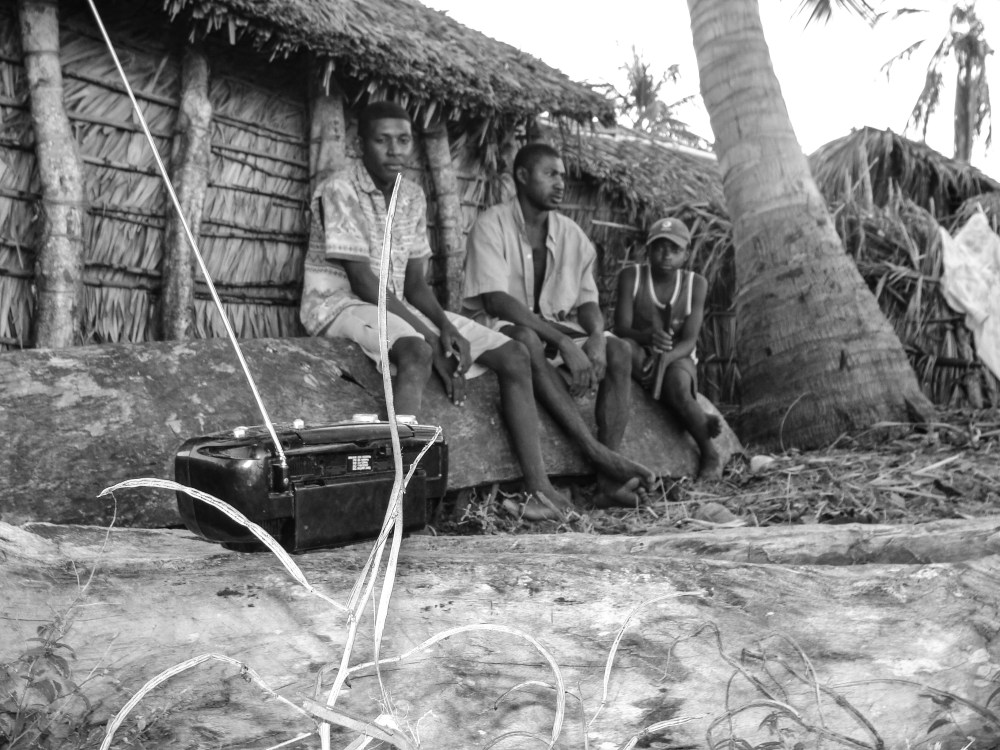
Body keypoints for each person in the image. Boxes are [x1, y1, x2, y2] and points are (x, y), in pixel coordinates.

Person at [300, 102, 572, 521]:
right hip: (339, 304)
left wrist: (446, 327)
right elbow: (363, 283)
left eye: (403, 140)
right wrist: (429, 337)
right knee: (417, 352)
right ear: (360, 144)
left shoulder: (410, 196)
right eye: (382, 139)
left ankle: (539, 490)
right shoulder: (340, 189)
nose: (394, 150)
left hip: (395, 304)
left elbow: (413, 285)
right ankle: (396, 498)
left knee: (515, 355)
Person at [463, 142, 657, 506]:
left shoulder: (573, 235)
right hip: (500, 327)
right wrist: (565, 344)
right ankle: (597, 452)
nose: (560, 183)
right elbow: (495, 300)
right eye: (550, 174)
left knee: (618, 350)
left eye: (562, 176)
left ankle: (606, 483)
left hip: (554, 325)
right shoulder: (491, 225)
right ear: (522, 176)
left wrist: (597, 337)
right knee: (525, 338)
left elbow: (588, 301)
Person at [613, 217, 722, 479]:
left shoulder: (696, 284)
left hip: (678, 356)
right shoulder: (632, 276)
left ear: (685, 255)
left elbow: (689, 341)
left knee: (678, 387)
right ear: (648, 250)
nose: (666, 255)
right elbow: (621, 328)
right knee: (624, 347)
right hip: (641, 349)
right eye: (659, 247)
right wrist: (647, 337)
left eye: (674, 250)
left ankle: (709, 451)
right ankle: (699, 418)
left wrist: (667, 358)